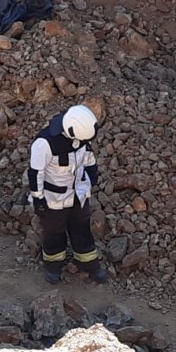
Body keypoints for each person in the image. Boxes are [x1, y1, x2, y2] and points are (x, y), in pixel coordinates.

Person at [28, 104, 109, 285]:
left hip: (78, 194)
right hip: (54, 199)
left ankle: (88, 262)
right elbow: (36, 172)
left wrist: (91, 173)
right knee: (54, 231)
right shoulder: (45, 143)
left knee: (81, 227)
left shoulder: (81, 136)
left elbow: (87, 157)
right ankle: (53, 264)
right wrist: (38, 198)